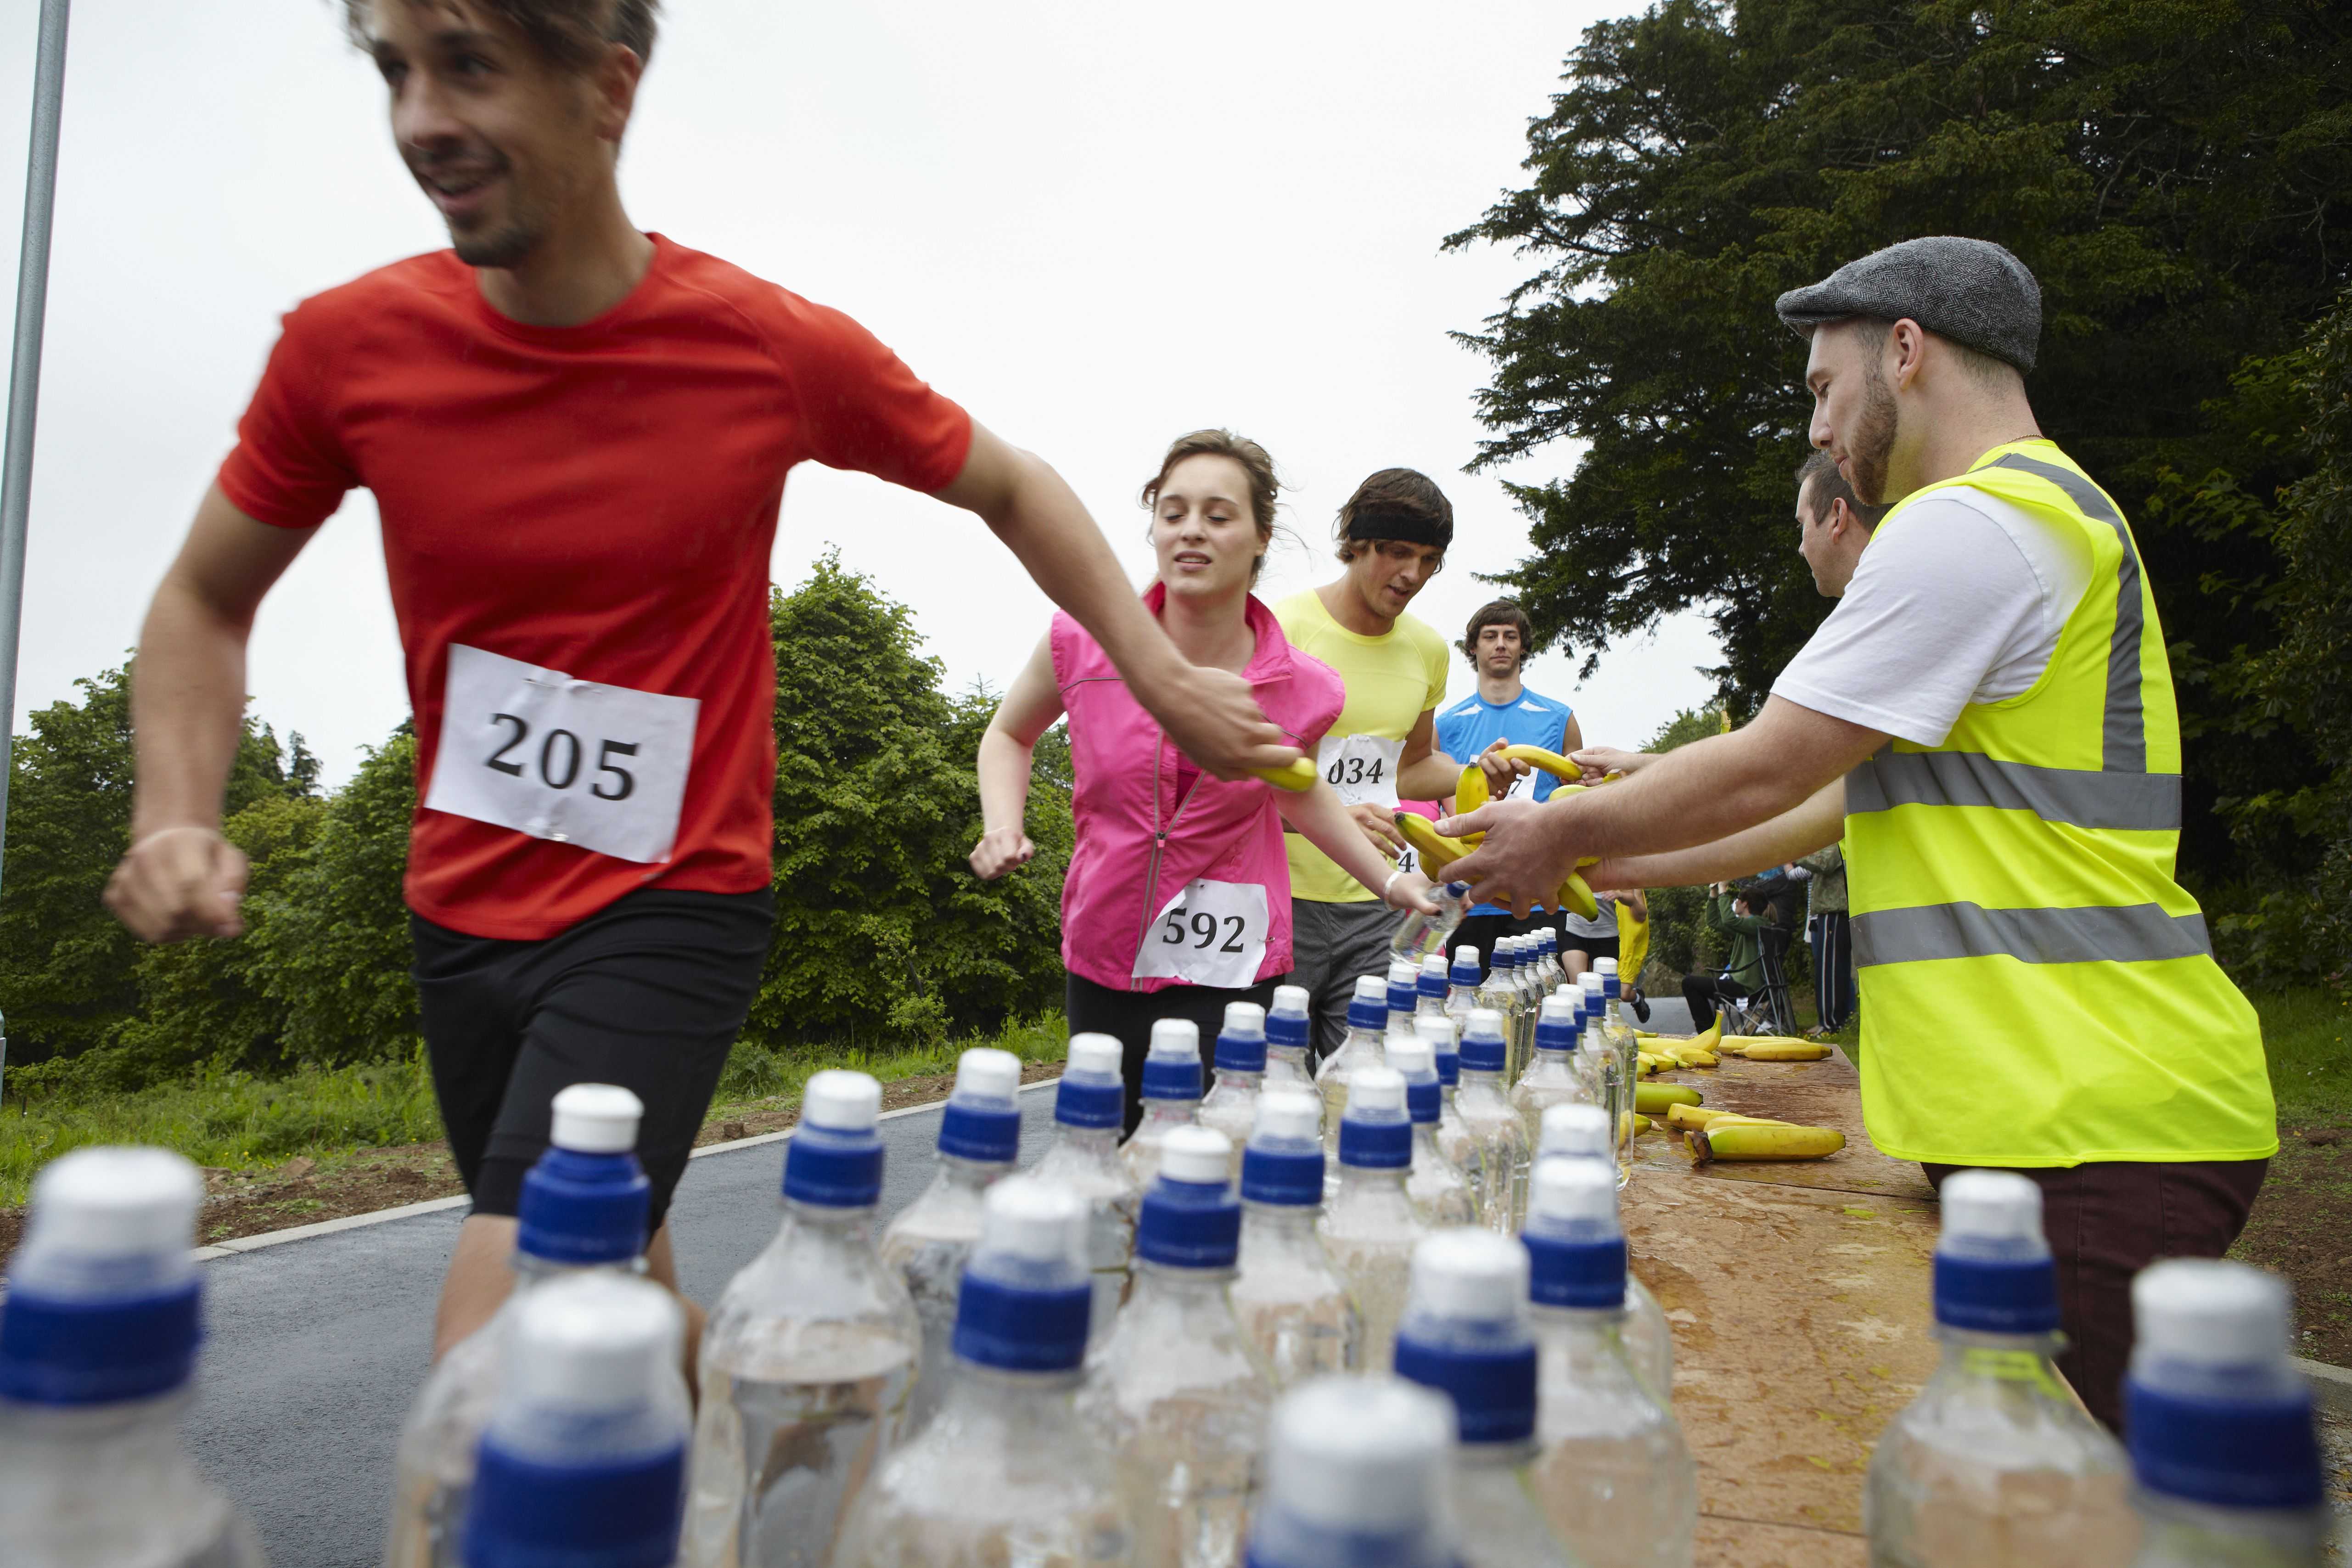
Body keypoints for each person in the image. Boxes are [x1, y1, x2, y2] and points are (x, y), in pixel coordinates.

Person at [99, 0, 1299, 1368]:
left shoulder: (762, 347)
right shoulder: (346, 350)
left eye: (471, 67)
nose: (421, 119)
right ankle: (706, 1448)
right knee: (616, 1300)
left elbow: (1010, 481)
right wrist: (175, 805)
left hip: (667, 905)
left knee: (506, 1343)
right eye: (396, 72)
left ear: (607, 88)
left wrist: (1152, 671)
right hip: (458, 916)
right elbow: (205, 592)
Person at [1440, 236, 2275, 1428]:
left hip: (2090, 1117)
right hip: (2074, 1106)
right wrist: (1618, 856)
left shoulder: (1971, 526)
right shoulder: (2032, 516)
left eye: (1825, 391)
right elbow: (1832, 794)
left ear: (1905, 349)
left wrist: (1555, 830)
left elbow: (1777, 754)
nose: (1823, 431)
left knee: (2077, 1512)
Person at [971, 431, 1437, 1132]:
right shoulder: (1078, 640)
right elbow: (1007, 733)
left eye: (1217, 515)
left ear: (1259, 537)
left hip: (1234, 965)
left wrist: (1388, 881)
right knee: (1112, 1151)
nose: (1191, 530)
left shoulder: (1307, 687)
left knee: (1218, 1157)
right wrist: (1002, 824)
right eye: (1172, 511)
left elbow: (1298, 787)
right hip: (1106, 950)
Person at [1273, 470, 1464, 1057]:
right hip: (1283, 898)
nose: (1412, 575)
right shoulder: (1283, 631)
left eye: (1429, 559)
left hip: (1379, 903)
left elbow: (1412, 768)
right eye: (1398, 552)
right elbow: (1236, 784)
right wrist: (1330, 816)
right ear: (1355, 542)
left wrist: (1478, 771)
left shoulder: (1428, 650)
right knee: (1269, 1088)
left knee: (1363, 1089)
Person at [1432, 599, 1582, 976]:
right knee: (1469, 1012)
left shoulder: (1559, 718)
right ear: (1473, 647)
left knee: (1541, 1010)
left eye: (1510, 636)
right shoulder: (1445, 724)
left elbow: (1577, 798)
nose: (1500, 644)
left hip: (1541, 892)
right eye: (1490, 636)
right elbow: (1438, 802)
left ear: (1522, 647)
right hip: (1471, 893)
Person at [1679, 884, 1764, 1034]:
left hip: (1745, 986)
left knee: (1690, 983)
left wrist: (1723, 892)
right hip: (1741, 982)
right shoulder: (1747, 927)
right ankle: (1708, 1033)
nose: (1735, 903)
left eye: (1737, 900)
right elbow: (1714, 922)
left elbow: (1729, 920)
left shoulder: (1757, 924)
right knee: (1692, 983)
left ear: (1745, 903)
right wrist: (1713, 894)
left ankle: (1707, 1034)